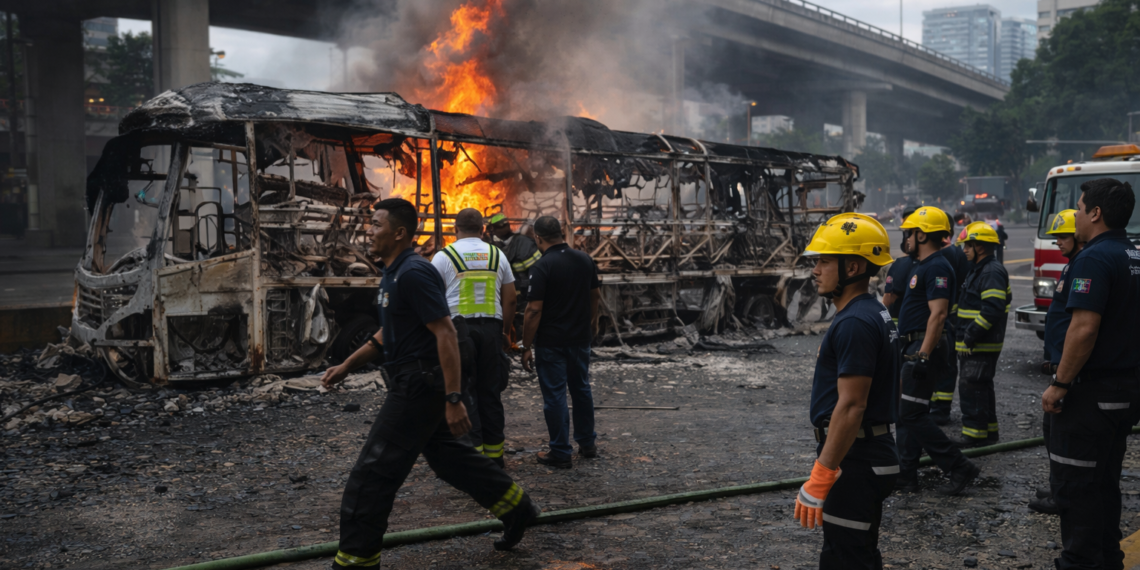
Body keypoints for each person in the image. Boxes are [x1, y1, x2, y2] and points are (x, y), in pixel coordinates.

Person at [321, 199, 539, 567]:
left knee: (373, 472)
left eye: (376, 225)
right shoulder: (393, 274)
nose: (369, 231)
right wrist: (346, 364)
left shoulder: (414, 273)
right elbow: (387, 334)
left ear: (399, 233)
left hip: (419, 384)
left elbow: (446, 333)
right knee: (451, 459)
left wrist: (454, 398)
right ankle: (517, 508)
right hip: (415, 380)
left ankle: (355, 561)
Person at [1041, 179, 1140, 570]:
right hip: (1124, 389)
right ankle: (1108, 559)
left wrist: (1060, 384)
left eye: (1080, 208)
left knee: (1076, 487)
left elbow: (1083, 328)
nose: (1077, 215)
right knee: (1103, 482)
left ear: (1096, 213)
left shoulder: (1094, 258)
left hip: (1091, 394)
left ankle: (1081, 561)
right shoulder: (1133, 254)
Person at [793, 213, 901, 569]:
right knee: (857, 554)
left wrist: (823, 473)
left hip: (857, 460)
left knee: (845, 559)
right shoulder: (871, 311)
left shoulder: (855, 322)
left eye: (824, 261)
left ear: (853, 267)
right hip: (865, 454)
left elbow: (852, 405)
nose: (815, 270)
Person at [894, 206, 980, 496]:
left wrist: (923, 355)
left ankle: (959, 466)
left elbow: (939, 314)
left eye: (909, 233)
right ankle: (906, 475)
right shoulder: (923, 265)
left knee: (912, 414)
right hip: (914, 345)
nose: (906, 239)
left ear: (921, 235)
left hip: (923, 347)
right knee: (907, 413)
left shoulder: (937, 267)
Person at [431, 208, 516, 468]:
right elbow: (511, 299)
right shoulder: (497, 254)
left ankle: (474, 461)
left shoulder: (443, 257)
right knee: (490, 393)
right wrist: (505, 332)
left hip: (459, 334)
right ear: (482, 230)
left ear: (455, 229)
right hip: (491, 331)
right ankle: (495, 458)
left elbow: (433, 298)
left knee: (465, 393)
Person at [520, 215, 601, 469]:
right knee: (581, 389)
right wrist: (591, 323)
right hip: (580, 339)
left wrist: (525, 346)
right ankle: (587, 443)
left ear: (538, 238)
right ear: (561, 233)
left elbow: (533, 310)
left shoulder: (542, 266)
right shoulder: (585, 259)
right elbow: (595, 296)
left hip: (551, 343)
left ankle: (560, 451)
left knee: (555, 396)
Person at [1029, 208, 1083, 516]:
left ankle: (1064, 495)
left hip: (1069, 369)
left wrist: (1063, 371)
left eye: (1063, 236)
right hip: (1061, 364)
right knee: (1052, 429)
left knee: (1062, 434)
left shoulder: (1083, 266)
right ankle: (1059, 485)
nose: (1057, 242)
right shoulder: (1072, 265)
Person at [950, 222, 1010, 448]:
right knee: (982, 387)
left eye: (968, 245)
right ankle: (989, 433)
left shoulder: (991, 272)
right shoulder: (980, 269)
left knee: (971, 386)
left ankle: (974, 436)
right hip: (977, 342)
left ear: (981, 247)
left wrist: (970, 334)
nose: (964, 250)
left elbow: (993, 309)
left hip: (979, 344)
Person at [932, 212, 972, 426]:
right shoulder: (958, 254)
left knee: (943, 364)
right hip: (955, 319)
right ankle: (940, 408)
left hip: (946, 319)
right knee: (947, 364)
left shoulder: (942, 257)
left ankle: (939, 410)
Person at [487, 213, 542, 341]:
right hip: (507, 296)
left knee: (523, 326)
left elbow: (537, 271)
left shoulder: (524, 243)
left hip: (524, 295)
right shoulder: (494, 246)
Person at [881, 210, 916, 325]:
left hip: (900, 326)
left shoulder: (900, 265)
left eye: (909, 234)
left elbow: (887, 300)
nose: (907, 238)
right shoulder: (936, 264)